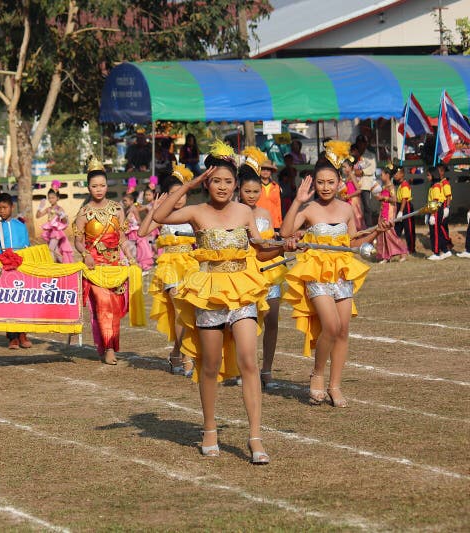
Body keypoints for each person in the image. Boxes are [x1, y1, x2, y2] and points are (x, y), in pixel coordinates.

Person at [152, 140, 275, 464]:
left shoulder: (245, 212)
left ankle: (255, 437)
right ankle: (209, 429)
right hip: (208, 293)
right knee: (209, 365)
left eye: (228, 181)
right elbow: (160, 215)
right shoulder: (196, 211)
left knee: (249, 361)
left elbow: (261, 250)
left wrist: (285, 245)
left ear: (236, 184)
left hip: (242, 291)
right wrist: (188, 185)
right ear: (207, 182)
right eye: (216, 180)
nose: (222, 186)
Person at [280, 140, 391, 408]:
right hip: (317, 274)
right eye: (320, 182)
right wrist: (298, 201)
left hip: (342, 273)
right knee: (330, 326)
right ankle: (317, 375)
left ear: (340, 182)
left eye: (331, 182)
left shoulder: (346, 208)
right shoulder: (309, 209)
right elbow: (284, 233)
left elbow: (352, 243)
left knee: (342, 330)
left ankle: (335, 385)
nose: (326, 187)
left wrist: (376, 231)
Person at [74, 157, 137, 365]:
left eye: (102, 185)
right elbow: (78, 241)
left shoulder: (117, 209)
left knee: (115, 310)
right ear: (88, 187)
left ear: (107, 186)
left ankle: (106, 345)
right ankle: (109, 349)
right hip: (95, 268)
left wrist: (130, 257)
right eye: (94, 186)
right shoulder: (84, 213)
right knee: (103, 308)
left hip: (115, 267)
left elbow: (122, 238)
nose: (99, 189)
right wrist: (86, 254)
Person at [139, 168, 197, 377]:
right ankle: (187, 357)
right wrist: (154, 209)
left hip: (191, 266)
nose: (178, 199)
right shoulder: (162, 216)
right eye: (173, 194)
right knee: (180, 310)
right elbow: (142, 232)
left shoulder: (192, 214)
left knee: (190, 311)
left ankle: (176, 353)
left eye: (182, 194)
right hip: (170, 266)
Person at [239, 147, 286, 389]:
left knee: (272, 321)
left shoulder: (266, 214)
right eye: (247, 191)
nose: (252, 195)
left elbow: (270, 242)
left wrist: (283, 247)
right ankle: (244, 368)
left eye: (256, 191)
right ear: (239, 190)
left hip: (270, 272)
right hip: (244, 274)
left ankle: (267, 369)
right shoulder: (234, 214)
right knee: (245, 324)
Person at [0, 193, 32, 350]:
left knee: (22, 301)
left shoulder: (21, 226)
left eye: (5, 207)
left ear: (12, 207)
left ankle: (23, 334)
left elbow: (27, 247)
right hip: (4, 271)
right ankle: (12, 337)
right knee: (9, 302)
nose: (2, 211)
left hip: (21, 269)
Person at [374, 164, 408, 263]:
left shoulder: (391, 187)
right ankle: (385, 256)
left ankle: (402, 251)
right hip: (383, 210)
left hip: (389, 212)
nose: (381, 176)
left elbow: (394, 199)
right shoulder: (384, 186)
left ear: (387, 175)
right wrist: (379, 197)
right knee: (382, 232)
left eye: (382, 174)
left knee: (389, 233)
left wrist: (384, 198)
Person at [36, 186, 73, 263]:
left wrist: (61, 214)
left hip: (56, 232)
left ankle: (52, 265)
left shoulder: (59, 209)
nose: (51, 200)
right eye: (49, 198)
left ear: (57, 198)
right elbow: (38, 216)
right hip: (49, 232)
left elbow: (64, 221)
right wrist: (40, 207)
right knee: (55, 250)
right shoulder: (48, 209)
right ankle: (64, 264)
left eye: (53, 198)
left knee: (50, 249)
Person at [426, 168, 452, 260]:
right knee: (436, 232)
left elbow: (435, 200)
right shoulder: (433, 186)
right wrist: (428, 213)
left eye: (428, 175)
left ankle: (436, 253)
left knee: (436, 232)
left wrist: (433, 215)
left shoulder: (436, 186)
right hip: (433, 209)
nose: (427, 177)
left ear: (433, 175)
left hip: (436, 210)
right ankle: (445, 250)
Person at [122, 192, 153, 269]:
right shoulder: (126, 209)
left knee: (141, 246)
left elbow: (139, 220)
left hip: (135, 231)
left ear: (131, 201)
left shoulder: (134, 208)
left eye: (125, 200)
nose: (124, 202)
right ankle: (133, 261)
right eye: (123, 201)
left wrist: (135, 224)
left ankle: (143, 262)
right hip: (129, 231)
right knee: (132, 247)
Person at [354, 134, 377, 224]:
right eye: (359, 143)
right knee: (355, 206)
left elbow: (372, 168)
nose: (361, 145)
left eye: (363, 143)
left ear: (365, 144)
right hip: (353, 184)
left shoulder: (370, 155)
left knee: (366, 206)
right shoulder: (353, 153)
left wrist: (362, 172)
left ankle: (368, 226)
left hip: (365, 185)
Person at [393, 167, 416, 254]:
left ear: (402, 174)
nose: (395, 175)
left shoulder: (405, 185)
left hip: (406, 207)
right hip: (400, 206)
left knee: (409, 229)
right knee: (397, 229)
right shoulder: (400, 185)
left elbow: (404, 199)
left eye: (397, 174)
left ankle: (411, 249)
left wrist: (401, 211)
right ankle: (395, 248)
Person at [256, 158, 283, 230]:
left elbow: (278, 205)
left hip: (274, 222)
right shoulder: (255, 185)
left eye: (268, 170)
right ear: (259, 171)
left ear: (271, 172)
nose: (265, 171)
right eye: (263, 169)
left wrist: (280, 221)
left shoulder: (276, 186)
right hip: (258, 222)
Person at [340, 157, 364, 230]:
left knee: (356, 221)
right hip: (349, 200)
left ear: (350, 167)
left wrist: (349, 196)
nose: (343, 169)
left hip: (354, 201)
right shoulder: (348, 177)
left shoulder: (352, 176)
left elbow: (359, 190)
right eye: (342, 167)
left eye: (345, 167)